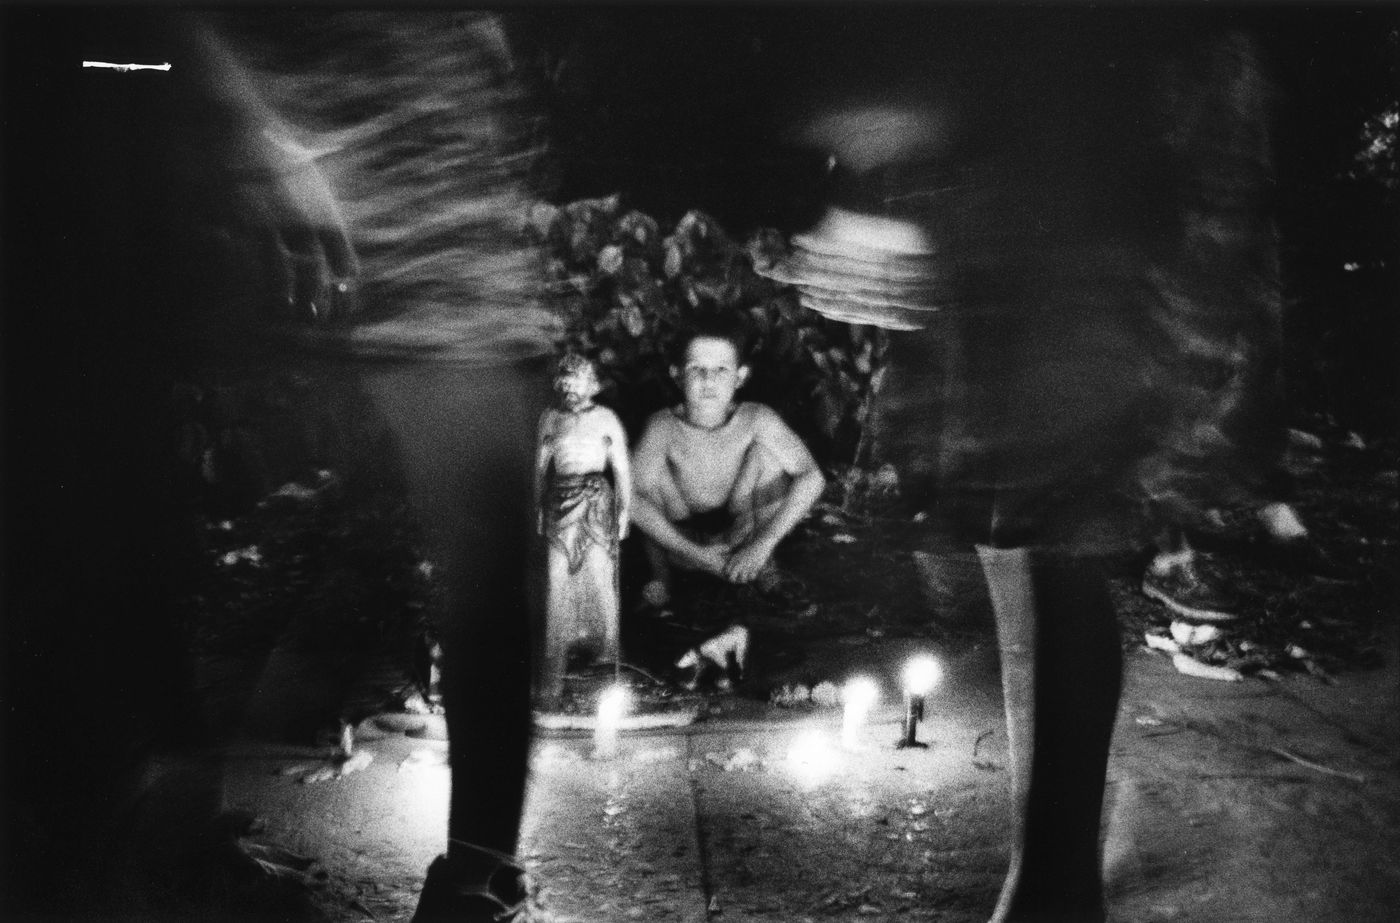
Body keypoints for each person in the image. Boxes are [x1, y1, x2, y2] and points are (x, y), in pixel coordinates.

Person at [629, 318, 826, 608]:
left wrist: (761, 546)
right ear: (677, 375)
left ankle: (764, 567)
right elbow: (629, 500)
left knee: (767, 454)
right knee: (643, 478)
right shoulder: (662, 425)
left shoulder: (756, 417)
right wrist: (699, 556)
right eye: (696, 369)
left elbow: (812, 477)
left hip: (744, 534)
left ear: (740, 376)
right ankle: (662, 579)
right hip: (683, 542)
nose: (708, 380)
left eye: (721, 369)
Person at [533, 353, 631, 704]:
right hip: (558, 503)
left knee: (600, 577)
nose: (569, 388)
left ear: (591, 384)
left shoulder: (606, 419)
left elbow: (622, 468)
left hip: (595, 504)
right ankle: (555, 662)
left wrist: (624, 512)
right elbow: (539, 468)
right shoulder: (550, 417)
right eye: (565, 381)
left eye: (576, 381)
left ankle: (606, 657)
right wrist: (537, 508)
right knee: (556, 579)